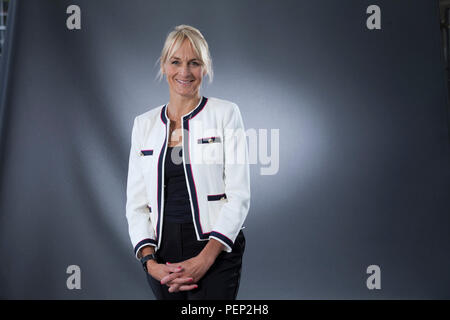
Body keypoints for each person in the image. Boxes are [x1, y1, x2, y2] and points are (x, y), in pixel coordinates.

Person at [125, 25, 251, 300]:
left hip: (216, 247)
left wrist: (204, 260)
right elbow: (135, 205)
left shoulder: (226, 114)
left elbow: (239, 196)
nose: (184, 72)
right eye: (176, 62)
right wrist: (151, 264)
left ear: (204, 68)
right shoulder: (143, 124)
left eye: (194, 63)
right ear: (163, 65)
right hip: (162, 252)